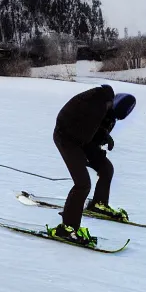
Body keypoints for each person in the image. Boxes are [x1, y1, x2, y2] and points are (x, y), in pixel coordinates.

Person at [49, 85, 136, 246]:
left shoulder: (108, 109)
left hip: (82, 140)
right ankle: (67, 228)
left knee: (106, 168)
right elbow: (85, 134)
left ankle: (99, 204)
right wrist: (85, 156)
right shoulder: (96, 105)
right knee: (82, 184)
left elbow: (93, 133)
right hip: (66, 138)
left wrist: (103, 137)